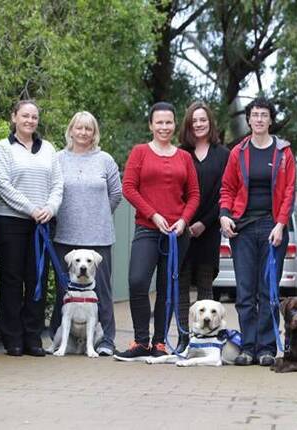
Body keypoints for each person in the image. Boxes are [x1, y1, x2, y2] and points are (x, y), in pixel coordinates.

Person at [115, 102, 200, 361]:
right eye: (159, 122)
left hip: (177, 234)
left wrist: (184, 220)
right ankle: (141, 341)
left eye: (168, 122)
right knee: (138, 281)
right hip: (148, 228)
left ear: (175, 125)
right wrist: (153, 213)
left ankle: (160, 343)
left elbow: (194, 194)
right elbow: (128, 188)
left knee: (167, 288)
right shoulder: (140, 152)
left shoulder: (185, 157)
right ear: (151, 125)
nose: (164, 127)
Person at [219, 97, 296, 366]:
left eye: (264, 115)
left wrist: (280, 223)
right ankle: (248, 347)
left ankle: (266, 347)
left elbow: (289, 191)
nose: (260, 119)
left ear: (270, 120)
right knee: (245, 291)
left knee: (268, 291)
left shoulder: (283, 152)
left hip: (272, 227)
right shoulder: (238, 153)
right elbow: (227, 188)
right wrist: (224, 215)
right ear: (249, 119)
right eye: (255, 115)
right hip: (243, 228)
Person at [0, 99, 64, 357]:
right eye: (25, 116)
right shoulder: (3, 148)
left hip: (42, 224)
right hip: (10, 222)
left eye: (34, 117)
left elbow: (57, 184)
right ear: (14, 118)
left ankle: (33, 336)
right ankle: (12, 338)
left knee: (38, 279)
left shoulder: (49, 149)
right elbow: (2, 184)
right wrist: (31, 208)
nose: (30, 121)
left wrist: (50, 208)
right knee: (12, 280)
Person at [50, 111, 122, 356]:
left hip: (98, 237)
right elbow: (53, 192)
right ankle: (61, 340)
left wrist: (98, 215)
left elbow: (116, 195)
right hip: (65, 235)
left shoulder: (105, 160)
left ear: (94, 133)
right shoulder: (58, 159)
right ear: (71, 130)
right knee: (64, 292)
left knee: (101, 291)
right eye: (79, 128)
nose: (83, 133)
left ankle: (106, 341)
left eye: (88, 129)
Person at [174, 102, 229, 353]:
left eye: (203, 120)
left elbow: (225, 193)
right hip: (182, 228)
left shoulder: (223, 154)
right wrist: (186, 222)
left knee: (206, 286)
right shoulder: (179, 153)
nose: (198, 124)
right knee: (181, 285)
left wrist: (204, 223)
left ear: (210, 123)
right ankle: (184, 337)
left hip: (209, 229)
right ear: (188, 124)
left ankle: (208, 340)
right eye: (194, 120)